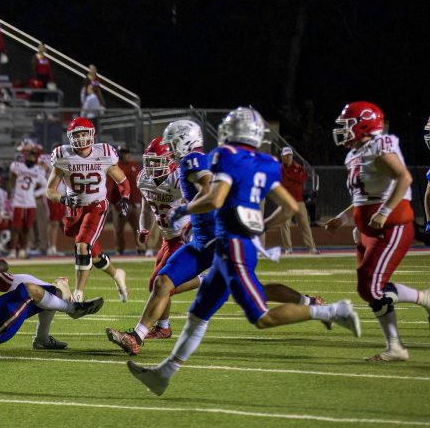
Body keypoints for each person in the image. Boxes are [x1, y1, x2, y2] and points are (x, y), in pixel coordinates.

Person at [127, 108, 362, 395]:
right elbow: (288, 207)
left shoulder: (211, 158)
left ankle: (331, 311)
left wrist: (184, 212)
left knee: (260, 315)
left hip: (229, 244)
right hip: (213, 242)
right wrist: (260, 226)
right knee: (185, 301)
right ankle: (163, 374)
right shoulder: (266, 163)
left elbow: (214, 198)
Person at [107, 121, 327, 356]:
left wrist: (186, 213)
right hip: (201, 242)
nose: (170, 150)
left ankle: (311, 304)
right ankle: (136, 337)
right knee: (162, 282)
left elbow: (211, 192)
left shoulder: (195, 161)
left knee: (255, 293)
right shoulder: (180, 166)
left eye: (173, 144)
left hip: (224, 242)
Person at [322, 101, 430, 361]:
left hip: (391, 225)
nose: (342, 130)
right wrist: (343, 218)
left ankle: (423, 301)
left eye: (347, 124)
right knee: (369, 290)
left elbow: (404, 177)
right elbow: (362, 197)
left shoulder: (378, 145)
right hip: (368, 229)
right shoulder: (354, 153)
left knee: (371, 287)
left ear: (364, 124)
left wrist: (384, 212)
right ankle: (395, 347)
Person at [46, 117, 131, 302]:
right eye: (77, 135)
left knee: (82, 246)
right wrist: (63, 198)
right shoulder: (62, 155)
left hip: (96, 205)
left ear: (93, 135)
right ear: (70, 137)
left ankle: (78, 294)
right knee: (95, 254)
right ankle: (117, 274)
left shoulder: (104, 153)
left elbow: (122, 181)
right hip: (75, 209)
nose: (81, 138)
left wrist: (125, 198)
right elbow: (50, 190)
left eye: (84, 133)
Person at [8, 139, 47, 258]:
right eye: (29, 155)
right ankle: (13, 250)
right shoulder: (17, 166)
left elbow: (46, 186)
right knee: (16, 227)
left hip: (30, 202)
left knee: (27, 227)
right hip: (18, 201)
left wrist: (34, 194)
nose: (31, 157)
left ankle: (23, 250)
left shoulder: (38, 170)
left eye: (33, 156)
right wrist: (11, 192)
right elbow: (11, 179)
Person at [278, 147, 318, 254]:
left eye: (290, 155)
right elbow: (283, 182)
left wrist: (289, 177)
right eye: (286, 155)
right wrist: (294, 179)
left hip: (299, 201)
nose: (288, 157)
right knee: (284, 225)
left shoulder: (298, 167)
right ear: (282, 157)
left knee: (305, 224)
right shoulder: (279, 168)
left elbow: (303, 178)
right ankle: (288, 249)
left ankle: (311, 248)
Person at [112, 147, 143, 254]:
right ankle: (119, 250)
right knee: (118, 229)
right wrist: (114, 202)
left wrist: (139, 200)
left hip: (135, 204)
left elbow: (139, 184)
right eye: (123, 153)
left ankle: (141, 249)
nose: (125, 155)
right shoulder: (115, 166)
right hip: (120, 204)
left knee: (139, 228)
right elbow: (111, 186)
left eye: (126, 152)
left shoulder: (135, 165)